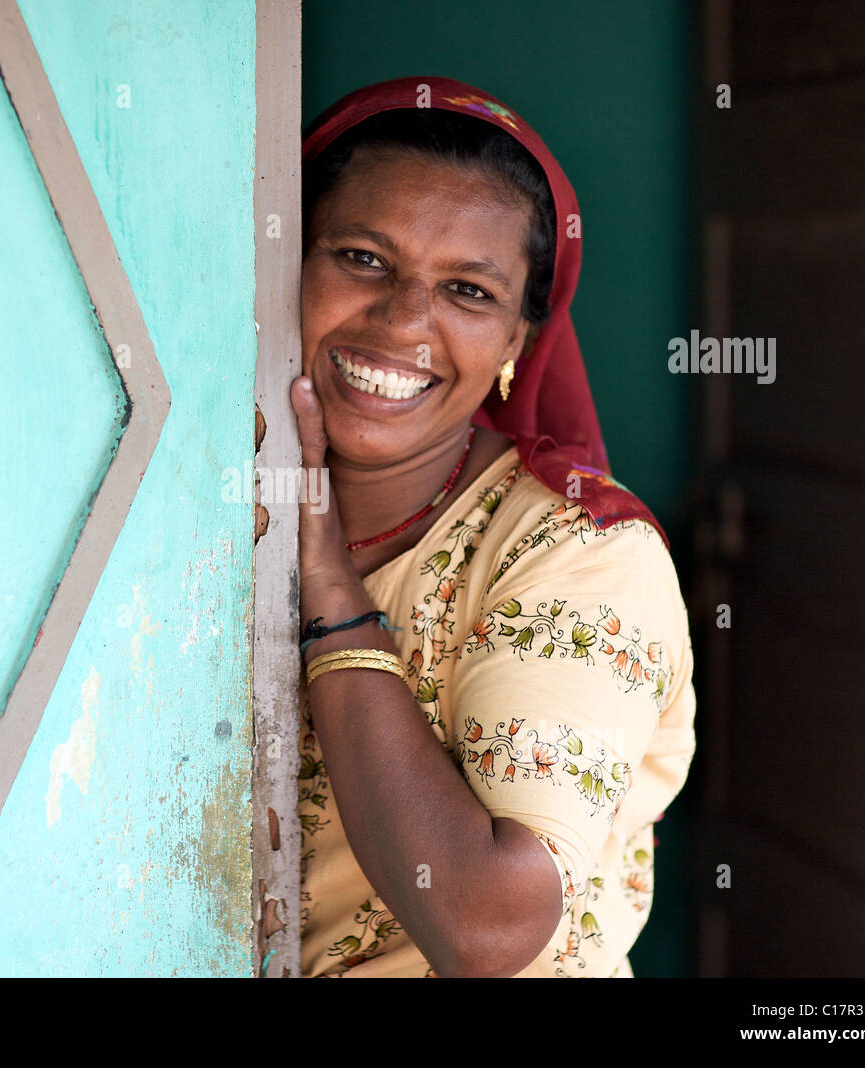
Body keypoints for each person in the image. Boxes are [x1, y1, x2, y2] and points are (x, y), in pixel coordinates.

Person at [291, 76, 696, 977]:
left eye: (468, 290)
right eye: (362, 258)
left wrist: (328, 587)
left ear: (519, 341)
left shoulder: (578, 557)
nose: (403, 322)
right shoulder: (189, 507)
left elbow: (487, 925)